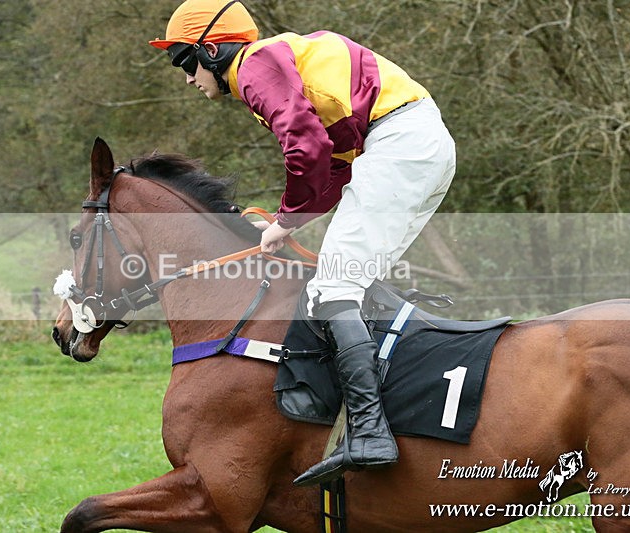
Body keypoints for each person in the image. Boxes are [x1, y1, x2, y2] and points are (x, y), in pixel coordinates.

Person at [149, 0, 456, 487]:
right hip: (413, 144)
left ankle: (372, 432)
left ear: (211, 50)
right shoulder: (277, 64)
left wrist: (287, 218)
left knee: (333, 290)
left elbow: (307, 147)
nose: (187, 78)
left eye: (185, 62)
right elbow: (334, 164)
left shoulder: (255, 66)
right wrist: (288, 222)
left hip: (399, 144)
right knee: (351, 289)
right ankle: (391, 413)